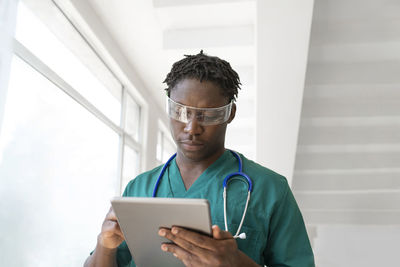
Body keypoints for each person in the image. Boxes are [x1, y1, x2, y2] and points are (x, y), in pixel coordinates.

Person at [84, 51, 315, 267]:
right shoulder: (139, 188)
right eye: (181, 112)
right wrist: (105, 245)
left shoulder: (270, 189)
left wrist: (237, 261)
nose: (192, 128)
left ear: (230, 113)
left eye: (208, 115)